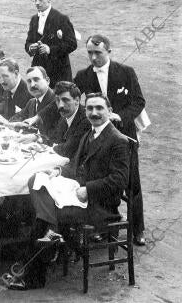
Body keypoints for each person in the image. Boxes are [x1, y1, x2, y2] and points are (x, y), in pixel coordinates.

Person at [8, 93, 130, 290]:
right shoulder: (90, 133)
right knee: (36, 179)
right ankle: (53, 231)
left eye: (99, 108)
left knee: (41, 220)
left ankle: (35, 277)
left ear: (110, 111)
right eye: (89, 108)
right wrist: (57, 171)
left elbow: (119, 180)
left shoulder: (117, 140)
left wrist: (88, 189)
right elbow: (75, 165)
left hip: (99, 204)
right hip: (78, 192)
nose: (94, 113)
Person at [73, 34, 146, 245]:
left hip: (124, 136)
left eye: (98, 53)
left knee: (132, 183)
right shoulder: (83, 75)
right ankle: (102, 227)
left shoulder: (126, 72)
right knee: (97, 179)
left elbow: (138, 102)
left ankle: (137, 229)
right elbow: (73, 96)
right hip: (97, 139)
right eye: (90, 53)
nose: (93, 57)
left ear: (109, 52)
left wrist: (119, 116)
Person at [24, 0, 77, 86]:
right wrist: (31, 47)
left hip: (59, 71)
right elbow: (28, 42)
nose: (37, 3)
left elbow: (72, 44)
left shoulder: (61, 18)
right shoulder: (34, 19)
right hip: (39, 70)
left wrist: (50, 50)